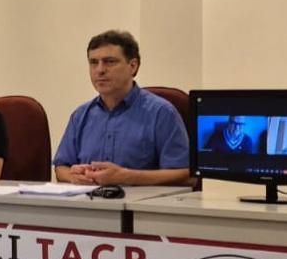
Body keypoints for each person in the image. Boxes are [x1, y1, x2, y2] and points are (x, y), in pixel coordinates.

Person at [53, 30, 189, 186]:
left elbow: (186, 175)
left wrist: (127, 176)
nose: (100, 70)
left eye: (109, 62)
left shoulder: (161, 113)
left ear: (133, 66)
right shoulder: (81, 115)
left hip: (140, 207)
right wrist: (73, 176)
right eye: (93, 62)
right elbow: (61, 167)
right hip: (89, 205)